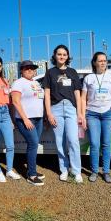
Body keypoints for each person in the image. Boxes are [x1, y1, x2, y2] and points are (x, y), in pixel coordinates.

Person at [43, 44, 83, 183]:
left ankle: (76, 171)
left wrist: (80, 112)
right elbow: (47, 94)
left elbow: (77, 93)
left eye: (64, 54)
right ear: (55, 56)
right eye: (59, 54)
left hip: (71, 108)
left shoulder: (72, 72)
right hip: (56, 109)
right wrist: (49, 114)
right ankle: (64, 169)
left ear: (68, 56)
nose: (62, 56)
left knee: (73, 140)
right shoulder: (50, 73)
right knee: (59, 142)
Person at [81, 52, 111, 183]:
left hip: (108, 113)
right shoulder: (89, 78)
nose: (103, 63)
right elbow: (83, 98)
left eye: (105, 60)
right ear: (94, 62)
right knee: (94, 143)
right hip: (92, 113)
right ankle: (94, 171)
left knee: (106, 143)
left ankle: (106, 171)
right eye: (100, 60)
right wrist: (82, 116)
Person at [11, 60, 46, 186]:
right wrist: (25, 119)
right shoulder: (18, 83)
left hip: (38, 119)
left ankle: (33, 171)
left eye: (32, 68)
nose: (30, 70)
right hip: (26, 119)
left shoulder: (35, 82)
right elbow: (15, 101)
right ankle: (31, 175)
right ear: (21, 70)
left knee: (34, 144)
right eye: (27, 68)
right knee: (32, 144)